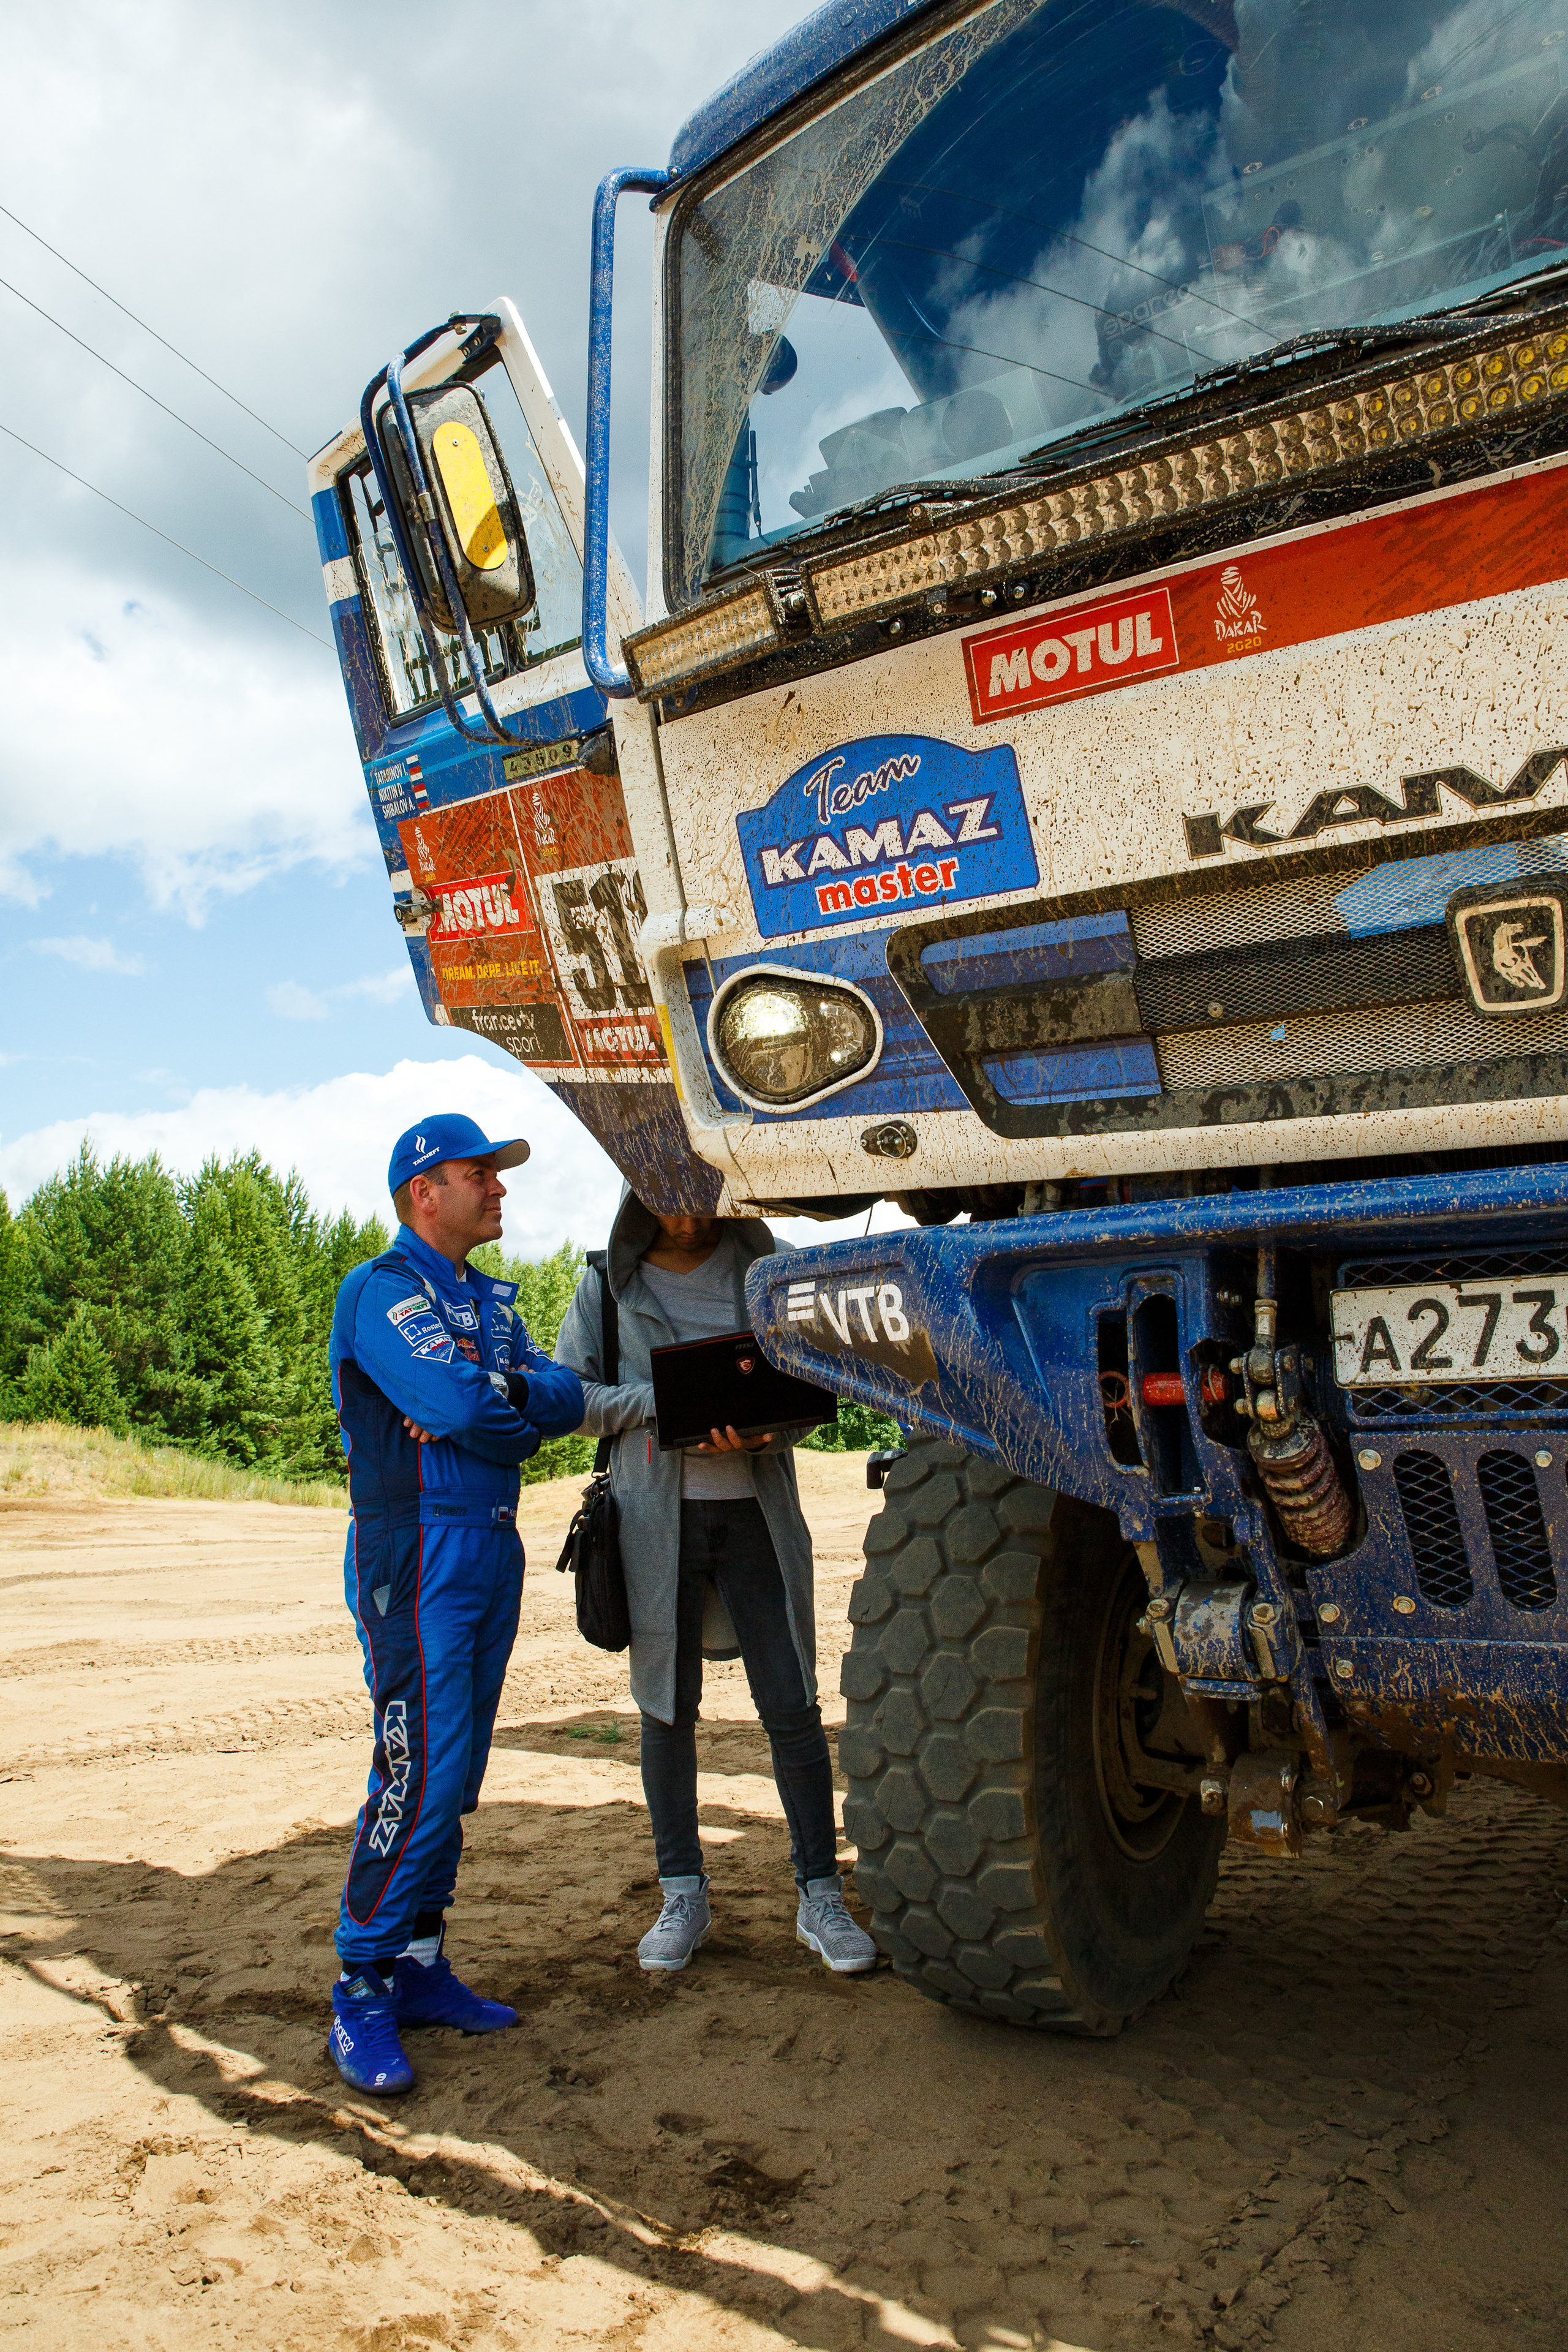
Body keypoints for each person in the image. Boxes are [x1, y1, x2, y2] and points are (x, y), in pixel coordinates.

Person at [325, 1113, 584, 2095]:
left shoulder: (485, 1303)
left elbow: (562, 1398)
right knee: (419, 1771)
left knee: (460, 1773)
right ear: (423, 1191)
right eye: (480, 1173)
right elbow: (470, 1411)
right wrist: (493, 1406)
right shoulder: (383, 1290)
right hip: (417, 1548)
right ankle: (360, 1983)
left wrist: (494, 1394)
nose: (500, 1187)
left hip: (491, 1542)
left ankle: (421, 1965)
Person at [554, 1189, 876, 1977]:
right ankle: (682, 1894)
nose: (690, 1224)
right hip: (653, 1526)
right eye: (670, 1208)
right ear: (637, 1197)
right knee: (666, 1710)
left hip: (758, 1520)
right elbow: (570, 1399)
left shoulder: (773, 1272)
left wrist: (768, 1431)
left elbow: (818, 1384)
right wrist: (665, 1404)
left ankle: (821, 1894)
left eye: (703, 1206)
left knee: (792, 1706)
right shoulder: (606, 1284)